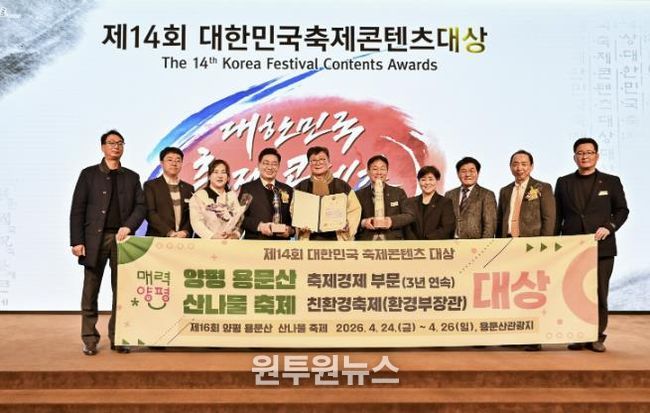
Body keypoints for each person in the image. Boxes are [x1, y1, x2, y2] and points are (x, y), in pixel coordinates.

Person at [70, 130, 146, 355]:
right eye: (111, 143)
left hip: (122, 240)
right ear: (102, 147)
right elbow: (77, 209)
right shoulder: (89, 175)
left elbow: (141, 206)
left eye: (120, 143)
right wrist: (77, 241)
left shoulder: (131, 177)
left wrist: (128, 226)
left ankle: (119, 337)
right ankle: (89, 339)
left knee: (122, 291)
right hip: (94, 240)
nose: (116, 146)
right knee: (90, 290)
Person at [555, 138, 629, 353]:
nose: (584, 156)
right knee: (575, 293)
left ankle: (597, 336)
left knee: (599, 293)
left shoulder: (611, 181)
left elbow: (622, 210)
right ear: (574, 157)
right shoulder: (564, 182)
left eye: (589, 152)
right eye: (580, 153)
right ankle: (579, 335)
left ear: (597, 155)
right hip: (573, 249)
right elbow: (558, 215)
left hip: (602, 248)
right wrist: (554, 244)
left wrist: (609, 227)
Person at [496, 149, 555, 351]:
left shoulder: (543, 188)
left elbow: (549, 219)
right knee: (511, 292)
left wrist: (544, 246)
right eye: (515, 164)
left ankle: (533, 337)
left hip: (532, 247)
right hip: (509, 246)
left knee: (531, 293)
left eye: (523, 164)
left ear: (531, 166)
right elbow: (500, 219)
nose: (519, 168)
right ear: (510, 167)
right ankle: (514, 335)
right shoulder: (505, 191)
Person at [293, 146, 361, 240]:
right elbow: (293, 211)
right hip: (309, 240)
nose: (318, 163)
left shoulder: (342, 186)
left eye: (322, 159)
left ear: (329, 162)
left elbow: (354, 210)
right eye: (313, 160)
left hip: (337, 240)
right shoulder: (301, 187)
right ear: (309, 164)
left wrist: (347, 226)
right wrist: (299, 226)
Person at [239, 147, 294, 239]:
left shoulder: (287, 190)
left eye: (274, 164)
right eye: (266, 163)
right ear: (259, 165)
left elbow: (293, 221)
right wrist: (260, 226)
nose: (270, 167)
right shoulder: (248, 188)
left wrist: (290, 230)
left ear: (278, 166)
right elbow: (240, 218)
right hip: (256, 242)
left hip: (281, 244)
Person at [355, 154, 414, 240]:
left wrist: (390, 221)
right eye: (375, 169)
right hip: (367, 241)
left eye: (382, 169)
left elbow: (409, 215)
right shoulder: (358, 195)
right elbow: (351, 219)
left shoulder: (398, 193)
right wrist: (364, 223)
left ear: (387, 171)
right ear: (368, 171)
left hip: (392, 241)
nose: (379, 172)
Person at [144, 147, 194, 238]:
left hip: (182, 240)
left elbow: (192, 214)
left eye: (178, 160)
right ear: (162, 163)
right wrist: (169, 232)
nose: (174, 163)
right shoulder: (151, 186)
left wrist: (185, 231)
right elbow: (150, 213)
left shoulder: (189, 188)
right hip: (157, 238)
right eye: (170, 160)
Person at [445, 157, 497, 239]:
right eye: (463, 171)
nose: (467, 174)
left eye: (471, 171)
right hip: (451, 243)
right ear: (458, 174)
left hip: (475, 244)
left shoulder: (487, 194)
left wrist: (484, 245)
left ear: (478, 173)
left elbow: (490, 226)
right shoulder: (449, 195)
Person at [189, 159, 242, 239]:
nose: (220, 176)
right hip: (205, 243)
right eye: (216, 172)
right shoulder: (199, 196)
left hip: (228, 242)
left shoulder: (232, 196)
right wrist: (212, 236)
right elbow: (196, 222)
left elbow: (238, 221)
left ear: (228, 177)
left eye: (223, 172)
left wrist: (235, 234)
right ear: (209, 176)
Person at [404, 165, 455, 240]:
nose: (427, 183)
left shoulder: (445, 203)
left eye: (431, 179)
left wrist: (427, 241)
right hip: (413, 245)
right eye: (423, 180)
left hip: (436, 244)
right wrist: (415, 242)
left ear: (437, 180)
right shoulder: (410, 202)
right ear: (419, 181)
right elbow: (407, 227)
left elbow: (447, 227)